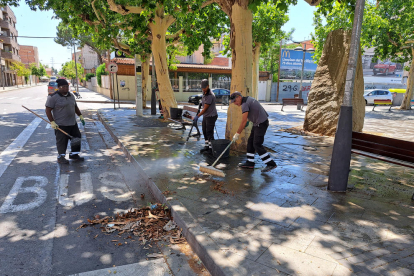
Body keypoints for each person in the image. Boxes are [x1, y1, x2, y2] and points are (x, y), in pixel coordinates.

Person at [230, 91, 277, 172]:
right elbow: (253, 111)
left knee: (257, 144)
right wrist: (249, 120)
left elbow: (243, 121)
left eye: (235, 101)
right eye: (233, 102)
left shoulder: (244, 104)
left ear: (239, 97)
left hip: (261, 123)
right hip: (258, 123)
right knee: (250, 142)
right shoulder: (247, 99)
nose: (234, 103)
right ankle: (250, 162)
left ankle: (271, 164)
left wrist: (237, 134)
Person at [45, 78, 86, 164]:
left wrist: (80, 116)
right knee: (62, 141)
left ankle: (74, 154)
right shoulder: (53, 97)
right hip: (61, 124)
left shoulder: (71, 96)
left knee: (76, 138)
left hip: (72, 123)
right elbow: (48, 110)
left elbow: (75, 106)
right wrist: (52, 121)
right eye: (63, 87)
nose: (66, 88)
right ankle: (61, 157)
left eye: (67, 86)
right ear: (59, 87)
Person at [193, 79, 218, 154]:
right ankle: (207, 146)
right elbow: (203, 102)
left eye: (205, 87)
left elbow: (204, 109)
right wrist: (201, 103)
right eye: (202, 87)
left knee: (209, 132)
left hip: (211, 116)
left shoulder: (210, 95)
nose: (203, 89)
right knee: (204, 131)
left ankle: (211, 149)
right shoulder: (205, 93)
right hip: (206, 116)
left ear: (208, 86)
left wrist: (197, 116)